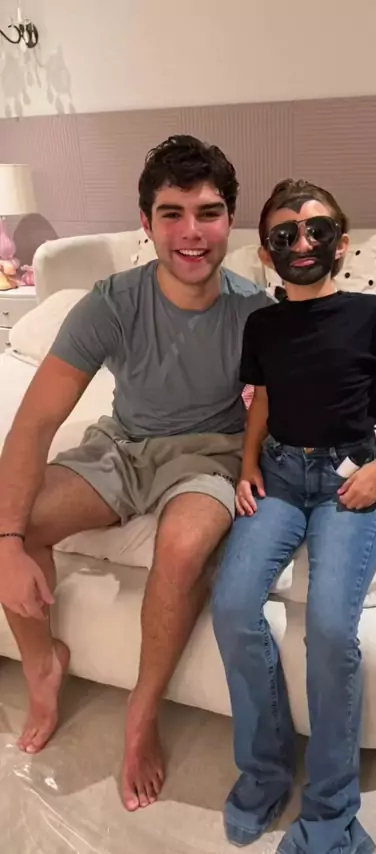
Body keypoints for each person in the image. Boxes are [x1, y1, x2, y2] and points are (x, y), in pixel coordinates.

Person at [0, 135, 273, 811]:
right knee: (16, 518)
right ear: (146, 223)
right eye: (171, 213)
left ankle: (140, 716)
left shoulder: (256, 313)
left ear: (229, 221)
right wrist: (8, 544)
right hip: (123, 445)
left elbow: (311, 401)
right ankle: (43, 664)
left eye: (207, 213)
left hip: (210, 453)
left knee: (181, 548)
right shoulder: (110, 303)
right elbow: (33, 424)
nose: (190, 232)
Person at [212, 180, 376, 854]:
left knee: (329, 627)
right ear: (267, 253)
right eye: (285, 235)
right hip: (281, 477)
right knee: (231, 605)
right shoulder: (263, 324)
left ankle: (330, 810)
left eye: (317, 231)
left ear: (341, 244)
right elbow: (263, 400)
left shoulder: (373, 314)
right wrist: (248, 464)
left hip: (353, 477)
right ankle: (264, 771)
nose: (302, 244)